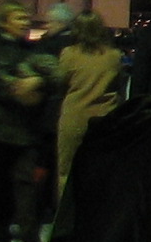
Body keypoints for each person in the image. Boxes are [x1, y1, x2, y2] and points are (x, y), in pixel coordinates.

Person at [0, 3, 57, 242]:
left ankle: (30, 238)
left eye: (26, 17)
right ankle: (0, 236)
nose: (25, 21)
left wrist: (36, 81)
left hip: (25, 130)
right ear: (4, 23)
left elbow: (54, 74)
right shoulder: (0, 49)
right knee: (0, 187)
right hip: (0, 129)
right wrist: (19, 88)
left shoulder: (31, 49)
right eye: (18, 17)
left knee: (25, 186)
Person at [50, 12, 122, 187]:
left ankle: (68, 212)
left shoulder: (69, 54)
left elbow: (59, 83)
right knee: (101, 173)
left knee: (67, 172)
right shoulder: (114, 56)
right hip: (105, 119)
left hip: (75, 118)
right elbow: (119, 86)